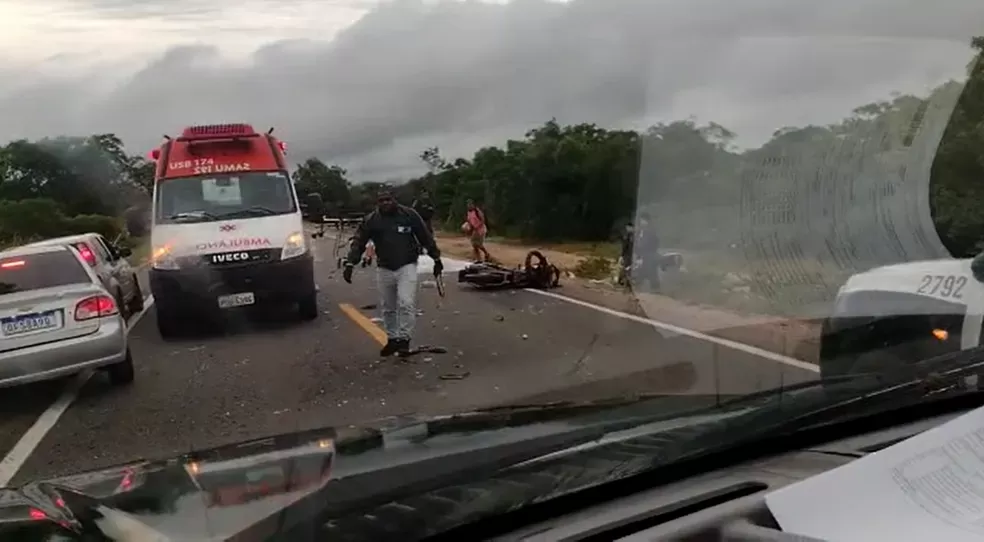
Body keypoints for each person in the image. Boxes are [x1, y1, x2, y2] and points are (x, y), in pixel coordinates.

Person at [343, 191, 443, 357]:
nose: (385, 203)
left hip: (407, 265)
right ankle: (392, 339)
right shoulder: (372, 220)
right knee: (388, 307)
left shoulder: (409, 215)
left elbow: (425, 236)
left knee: (405, 302)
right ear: (377, 203)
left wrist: (436, 258)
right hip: (384, 267)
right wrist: (350, 263)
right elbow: (359, 241)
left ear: (394, 200)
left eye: (388, 200)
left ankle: (404, 340)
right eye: (382, 201)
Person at [412, 190, 436, 255]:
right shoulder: (418, 202)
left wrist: (430, 212)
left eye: (426, 195)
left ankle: (430, 247)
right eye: (424, 194)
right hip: (420, 220)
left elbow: (433, 209)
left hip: (427, 220)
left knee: (429, 232)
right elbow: (413, 211)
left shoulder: (429, 202)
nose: (425, 196)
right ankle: (420, 247)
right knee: (420, 232)